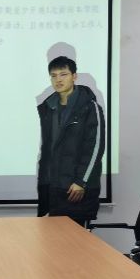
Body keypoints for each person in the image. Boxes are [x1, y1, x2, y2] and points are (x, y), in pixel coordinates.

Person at [37, 56, 105, 226]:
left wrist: (81, 181)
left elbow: (95, 147)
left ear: (74, 76)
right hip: (53, 187)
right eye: (53, 76)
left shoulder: (89, 107)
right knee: (51, 237)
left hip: (76, 188)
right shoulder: (48, 107)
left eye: (63, 74)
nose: (58, 80)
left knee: (75, 239)